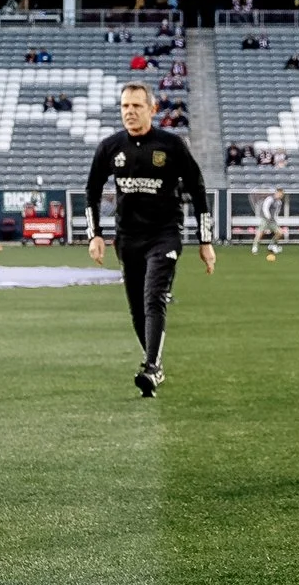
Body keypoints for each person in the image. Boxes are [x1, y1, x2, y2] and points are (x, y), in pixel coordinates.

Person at [84, 81, 214, 397]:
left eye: (136, 106)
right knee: (136, 310)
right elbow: (92, 189)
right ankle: (155, 362)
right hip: (127, 239)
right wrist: (95, 235)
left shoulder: (171, 145)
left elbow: (197, 189)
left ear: (152, 109)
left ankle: (152, 368)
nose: (129, 112)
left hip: (165, 235)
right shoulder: (110, 147)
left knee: (153, 296)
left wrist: (205, 240)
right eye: (125, 106)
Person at [252, 187, 283, 258]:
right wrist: (268, 216)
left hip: (272, 221)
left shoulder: (279, 202)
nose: (281, 195)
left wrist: (275, 219)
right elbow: (265, 208)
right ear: (277, 192)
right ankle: (255, 247)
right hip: (266, 219)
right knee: (260, 232)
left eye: (282, 194)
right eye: (280, 193)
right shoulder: (270, 199)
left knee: (280, 233)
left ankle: (271, 245)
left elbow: (276, 212)